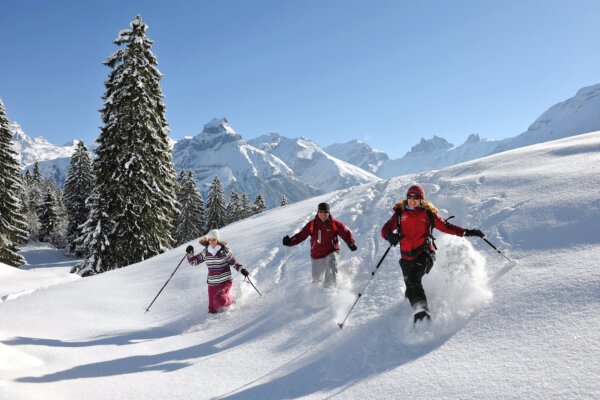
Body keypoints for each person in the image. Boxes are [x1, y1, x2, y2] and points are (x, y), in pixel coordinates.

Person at [380, 185, 484, 323]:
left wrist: (467, 232)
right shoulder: (400, 213)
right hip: (406, 255)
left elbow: (447, 227)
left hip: (425, 252)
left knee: (412, 279)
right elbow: (385, 229)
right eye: (409, 196)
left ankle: (422, 313)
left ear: (421, 199)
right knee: (409, 284)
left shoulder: (428, 214)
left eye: (416, 197)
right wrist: (389, 235)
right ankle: (408, 308)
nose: (412, 200)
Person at [282, 202, 357, 288]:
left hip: (332, 251)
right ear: (318, 212)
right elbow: (300, 236)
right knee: (317, 280)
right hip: (317, 254)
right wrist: (289, 241)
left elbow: (346, 233)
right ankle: (318, 295)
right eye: (321, 212)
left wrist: (351, 243)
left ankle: (330, 291)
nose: (323, 214)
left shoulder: (335, 224)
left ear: (329, 213)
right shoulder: (312, 225)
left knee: (331, 267)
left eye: (325, 212)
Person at [185, 229, 249, 314]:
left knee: (220, 300)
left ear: (217, 240)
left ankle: (232, 299)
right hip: (212, 284)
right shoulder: (206, 252)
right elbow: (194, 262)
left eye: (214, 240)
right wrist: (190, 253)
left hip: (225, 281)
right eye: (210, 240)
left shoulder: (224, 251)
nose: (212, 242)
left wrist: (242, 269)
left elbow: (233, 262)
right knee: (212, 310)